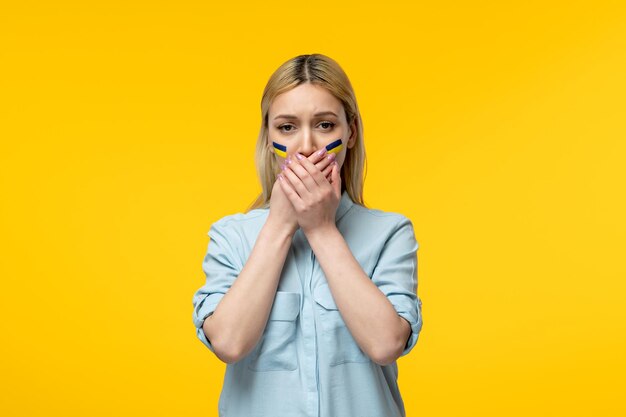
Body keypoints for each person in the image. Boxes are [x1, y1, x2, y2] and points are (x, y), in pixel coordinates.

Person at [192, 53, 423, 417]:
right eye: (286, 127)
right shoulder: (231, 236)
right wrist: (281, 225)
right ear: (268, 138)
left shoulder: (390, 233)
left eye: (325, 125)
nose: (306, 146)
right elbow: (230, 344)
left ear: (350, 134)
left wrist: (321, 228)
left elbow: (385, 344)